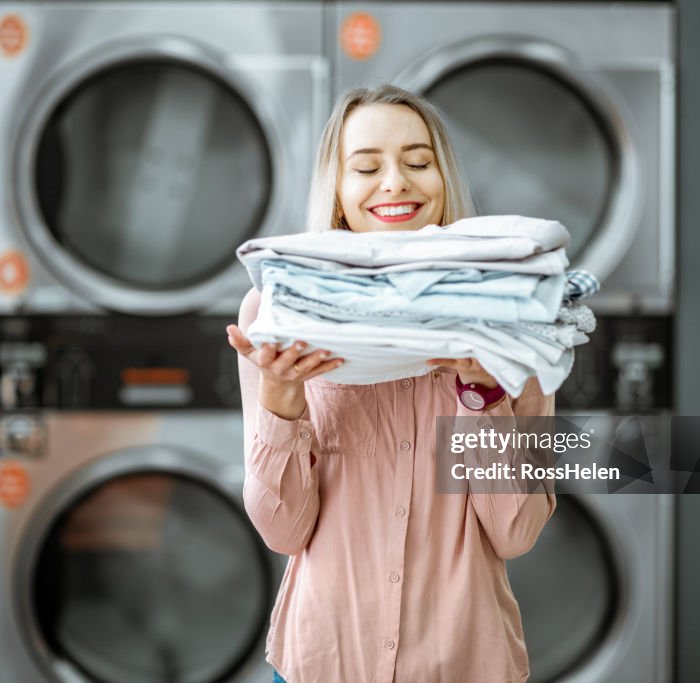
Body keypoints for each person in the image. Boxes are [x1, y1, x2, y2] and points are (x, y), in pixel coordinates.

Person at [226, 85, 556, 683]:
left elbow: (516, 531)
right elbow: (283, 529)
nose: (395, 182)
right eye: (367, 167)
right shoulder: (279, 314)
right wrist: (282, 402)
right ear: (338, 192)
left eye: (418, 162)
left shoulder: (514, 315)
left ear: (443, 178)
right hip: (322, 661)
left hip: (462, 662)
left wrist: (484, 396)